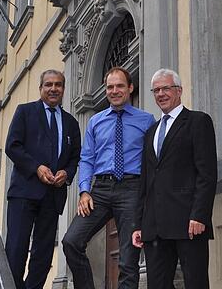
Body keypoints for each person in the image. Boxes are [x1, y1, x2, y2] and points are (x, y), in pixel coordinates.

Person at [62, 67, 155, 289]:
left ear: (130, 88)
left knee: (128, 258)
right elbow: (86, 159)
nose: (114, 91)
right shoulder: (95, 121)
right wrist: (84, 191)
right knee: (71, 241)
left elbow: (153, 161)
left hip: (132, 189)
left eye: (119, 86)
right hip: (100, 191)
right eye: (110, 87)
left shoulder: (147, 120)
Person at [132, 68, 217, 289]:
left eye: (165, 88)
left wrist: (200, 215)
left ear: (178, 90)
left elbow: (206, 174)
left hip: (189, 222)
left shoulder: (198, 121)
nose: (160, 94)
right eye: (156, 90)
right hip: (155, 226)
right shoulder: (151, 132)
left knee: (195, 283)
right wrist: (139, 224)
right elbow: (146, 181)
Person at [5, 69, 82, 289]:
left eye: (58, 85)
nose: (53, 89)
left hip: (52, 195)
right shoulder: (25, 112)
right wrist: (36, 167)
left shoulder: (71, 122)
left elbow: (76, 156)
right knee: (17, 249)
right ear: (41, 88)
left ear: (63, 89)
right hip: (24, 192)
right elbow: (13, 146)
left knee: (44, 252)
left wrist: (67, 173)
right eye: (48, 84)